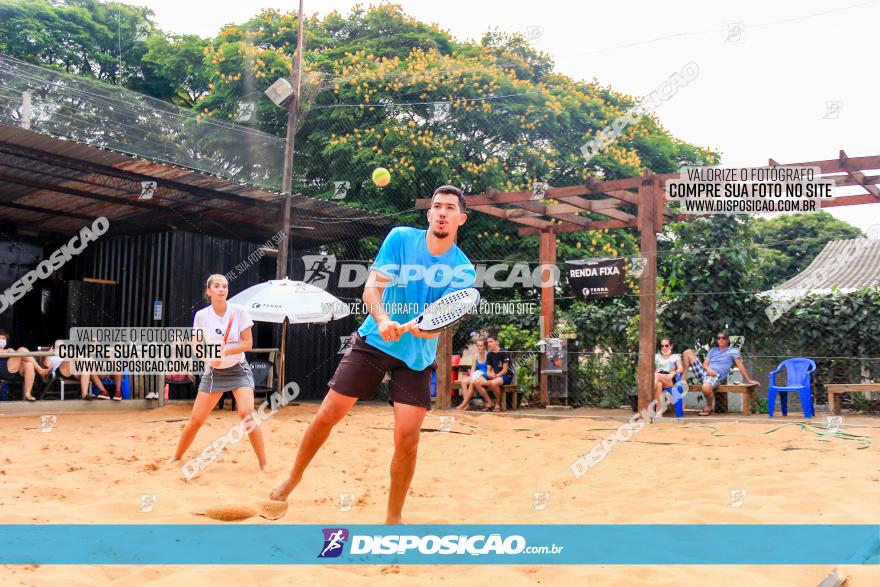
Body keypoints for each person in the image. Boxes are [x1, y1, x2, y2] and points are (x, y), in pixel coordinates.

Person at [269, 185, 475, 524]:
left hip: (416, 356)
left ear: (460, 219)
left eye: (450, 208)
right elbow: (372, 288)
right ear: (428, 214)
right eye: (436, 206)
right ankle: (293, 477)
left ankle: (393, 518)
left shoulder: (463, 270)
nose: (442, 212)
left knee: (407, 440)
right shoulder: (400, 239)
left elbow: (437, 324)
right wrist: (382, 319)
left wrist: (412, 328)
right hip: (374, 341)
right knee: (329, 412)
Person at [169, 274, 267, 470]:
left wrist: (227, 350)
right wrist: (209, 358)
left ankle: (264, 464)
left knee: (246, 414)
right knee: (196, 420)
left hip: (239, 369)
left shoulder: (239, 312)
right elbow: (197, 347)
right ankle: (176, 457)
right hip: (214, 372)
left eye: (225, 286)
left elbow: (248, 343)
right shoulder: (201, 316)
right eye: (217, 286)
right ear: (209, 291)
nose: (222, 289)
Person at [681, 330, 760, 416]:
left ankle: (709, 406)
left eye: (723, 338)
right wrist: (708, 370)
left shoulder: (733, 351)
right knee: (687, 352)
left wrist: (748, 380)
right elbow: (704, 364)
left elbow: (740, 366)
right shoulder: (713, 350)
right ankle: (683, 379)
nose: (721, 340)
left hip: (715, 375)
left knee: (706, 387)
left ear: (727, 340)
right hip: (705, 372)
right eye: (719, 338)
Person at [0, 329, 51, 401]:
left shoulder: (9, 349)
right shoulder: (7, 351)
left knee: (29, 364)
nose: (1, 340)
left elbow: (20, 358)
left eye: (3, 339)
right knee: (22, 350)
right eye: (0, 338)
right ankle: (40, 370)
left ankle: (27, 394)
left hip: (17, 372)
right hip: (4, 371)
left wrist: (11, 352)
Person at [475, 334, 512, 411]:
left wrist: (496, 376)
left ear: (497, 342)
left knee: (493, 383)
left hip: (505, 376)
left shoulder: (504, 353)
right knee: (477, 382)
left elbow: (505, 370)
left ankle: (498, 403)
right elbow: (488, 370)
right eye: (488, 342)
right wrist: (489, 374)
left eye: (491, 342)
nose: (488, 344)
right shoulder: (489, 354)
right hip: (495, 376)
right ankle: (490, 402)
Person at [455, 338, 494, 411]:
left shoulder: (488, 355)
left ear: (485, 346)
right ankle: (466, 405)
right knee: (463, 382)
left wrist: (474, 378)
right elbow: (473, 368)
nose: (479, 347)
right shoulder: (476, 356)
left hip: (485, 375)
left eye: (481, 346)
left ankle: (463, 404)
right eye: (478, 346)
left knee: (473, 382)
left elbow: (491, 369)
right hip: (478, 374)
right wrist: (471, 376)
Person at [654, 338, 683, 413]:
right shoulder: (656, 357)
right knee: (659, 384)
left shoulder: (675, 356)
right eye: (662, 346)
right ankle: (659, 411)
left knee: (656, 375)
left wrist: (674, 373)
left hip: (669, 379)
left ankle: (647, 394)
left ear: (671, 346)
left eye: (666, 346)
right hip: (658, 379)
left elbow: (681, 369)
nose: (664, 348)